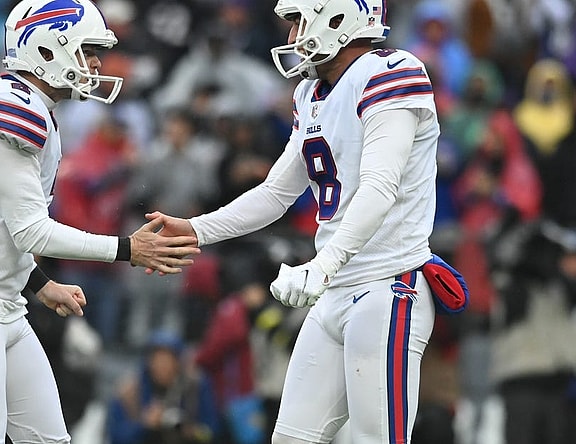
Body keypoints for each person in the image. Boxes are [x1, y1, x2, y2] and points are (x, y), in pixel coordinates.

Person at [147, 0, 463, 442]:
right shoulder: (309, 93)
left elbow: (379, 187)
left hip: (387, 287)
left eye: (298, 20)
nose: (292, 35)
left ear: (337, 16)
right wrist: (199, 228)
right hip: (334, 293)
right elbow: (276, 192)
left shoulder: (391, 71)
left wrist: (323, 263)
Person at [0, 1, 200, 443]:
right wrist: (125, 249)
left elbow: (1, 230)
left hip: (3, 305)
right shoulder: (8, 108)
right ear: (46, 50)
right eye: (87, 49)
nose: (97, 63)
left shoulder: (33, 107)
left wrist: (40, 285)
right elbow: (30, 230)